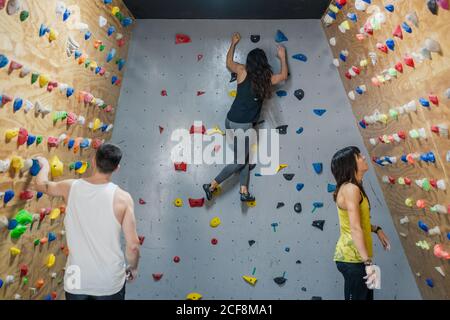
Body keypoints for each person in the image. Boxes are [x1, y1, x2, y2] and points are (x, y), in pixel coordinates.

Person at [34, 143, 140, 300]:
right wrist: (134, 267)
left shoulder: (70, 187)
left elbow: (41, 185)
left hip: (76, 278)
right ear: (117, 167)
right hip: (109, 281)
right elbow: (133, 246)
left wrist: (44, 165)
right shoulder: (123, 199)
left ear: (93, 160)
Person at [203, 32, 289, 202]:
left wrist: (233, 43)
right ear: (263, 63)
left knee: (243, 157)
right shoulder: (267, 79)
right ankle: (211, 184)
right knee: (241, 161)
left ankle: (243, 191)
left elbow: (228, 62)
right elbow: (284, 76)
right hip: (243, 126)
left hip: (230, 120)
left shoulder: (242, 71)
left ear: (249, 62)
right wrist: (282, 57)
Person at [331, 146, 391, 300]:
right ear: (350, 165)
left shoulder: (354, 187)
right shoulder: (350, 189)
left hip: (358, 259)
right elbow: (355, 228)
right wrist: (368, 263)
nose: (363, 157)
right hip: (352, 260)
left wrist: (377, 229)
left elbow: (359, 222)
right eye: (358, 156)